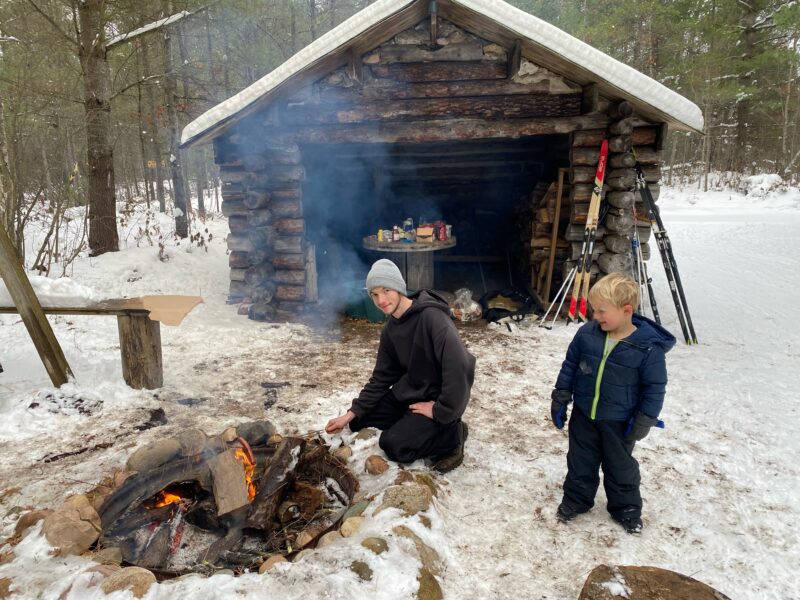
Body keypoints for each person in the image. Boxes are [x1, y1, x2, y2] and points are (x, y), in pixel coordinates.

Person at [549, 272, 675, 534]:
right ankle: (576, 500)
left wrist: (645, 418)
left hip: (619, 421)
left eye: (602, 311)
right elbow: (571, 365)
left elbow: (654, 388)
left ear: (626, 310)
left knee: (620, 466)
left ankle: (626, 508)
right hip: (584, 415)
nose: (596, 317)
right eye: (595, 311)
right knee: (580, 461)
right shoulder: (587, 334)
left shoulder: (647, 349)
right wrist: (561, 394)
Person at [325, 259, 476, 473]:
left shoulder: (433, 318)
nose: (381, 300)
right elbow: (381, 378)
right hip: (409, 395)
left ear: (398, 288)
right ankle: (414, 423)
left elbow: (460, 366)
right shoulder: (390, 330)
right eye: (374, 294)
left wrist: (441, 410)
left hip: (436, 398)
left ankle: (452, 434)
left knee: (394, 445)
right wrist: (350, 414)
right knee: (360, 421)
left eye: (386, 290)